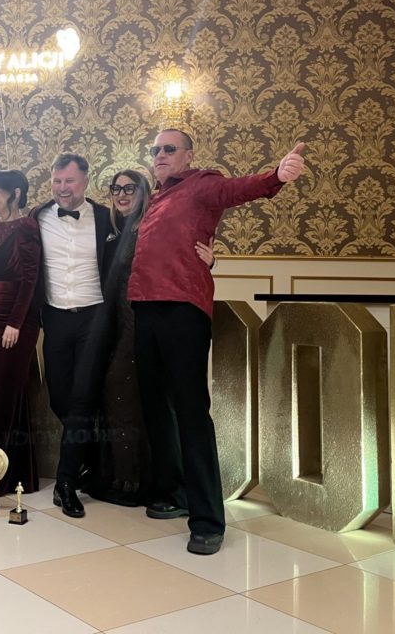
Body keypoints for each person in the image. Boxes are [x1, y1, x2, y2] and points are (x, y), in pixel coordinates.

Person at [128, 129, 306, 555]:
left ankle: (207, 520)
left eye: (169, 149)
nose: (160, 155)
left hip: (182, 310)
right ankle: (173, 494)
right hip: (145, 309)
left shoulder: (202, 184)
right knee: (156, 407)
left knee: (191, 412)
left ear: (188, 155)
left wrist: (276, 176)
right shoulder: (156, 196)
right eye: (155, 150)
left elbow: (238, 189)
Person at [85, 169, 215, 507]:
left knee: (127, 395)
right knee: (124, 398)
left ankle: (137, 481)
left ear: (144, 192)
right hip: (115, 326)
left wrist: (210, 259)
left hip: (142, 322)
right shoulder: (114, 234)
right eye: (116, 189)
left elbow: (184, 255)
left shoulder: (151, 228)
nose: (122, 194)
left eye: (130, 188)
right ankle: (125, 476)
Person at [32, 153, 112, 518]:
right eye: (57, 181)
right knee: (60, 398)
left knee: (81, 401)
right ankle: (89, 458)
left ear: (86, 181)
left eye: (70, 181)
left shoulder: (107, 218)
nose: (62, 188)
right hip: (55, 318)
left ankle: (65, 483)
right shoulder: (37, 217)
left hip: (94, 317)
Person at [0, 169, 41, 497]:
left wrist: (15, 323)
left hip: (17, 322)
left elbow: (30, 279)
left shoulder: (27, 226)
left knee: (7, 393)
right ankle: (7, 472)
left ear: (15, 193)